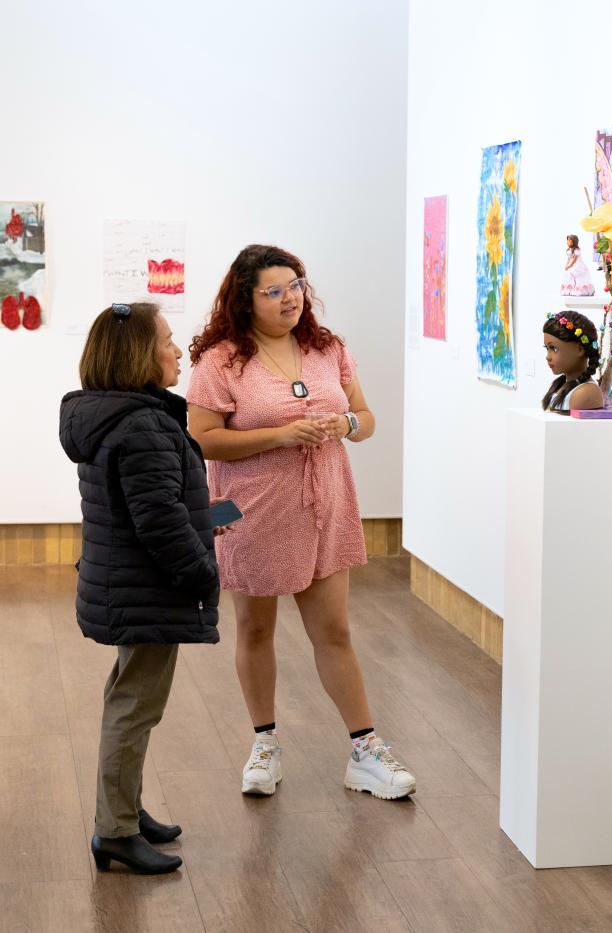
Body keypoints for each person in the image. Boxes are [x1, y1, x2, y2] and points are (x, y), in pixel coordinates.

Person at [187, 244, 416, 800]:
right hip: (248, 510)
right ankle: (264, 745)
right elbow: (204, 438)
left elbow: (367, 419)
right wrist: (282, 435)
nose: (290, 298)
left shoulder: (325, 347)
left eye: (295, 285)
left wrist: (344, 423)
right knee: (256, 629)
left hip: (325, 504)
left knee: (334, 631)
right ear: (246, 299)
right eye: (274, 290)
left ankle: (365, 750)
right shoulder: (221, 360)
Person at [59, 302, 224, 874]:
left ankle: (124, 809)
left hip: (126, 583)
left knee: (129, 698)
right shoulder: (143, 424)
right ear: (139, 355)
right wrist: (203, 570)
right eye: (169, 342)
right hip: (149, 587)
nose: (179, 352)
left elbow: (152, 507)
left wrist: (204, 516)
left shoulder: (110, 415)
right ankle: (116, 832)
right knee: (135, 707)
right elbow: (158, 522)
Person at [542, 310, 604, 412]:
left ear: (579, 350)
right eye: (546, 348)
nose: (548, 357)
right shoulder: (558, 385)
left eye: (554, 348)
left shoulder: (585, 393)